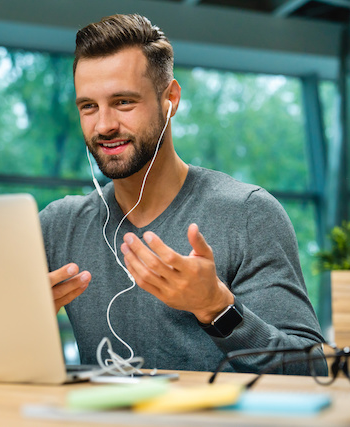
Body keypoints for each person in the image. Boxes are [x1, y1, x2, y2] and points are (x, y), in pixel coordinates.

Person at [39, 14, 325, 374]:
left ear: (170, 99)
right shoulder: (58, 226)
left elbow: (310, 371)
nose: (104, 125)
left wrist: (216, 307)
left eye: (123, 102)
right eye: (88, 106)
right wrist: (15, 322)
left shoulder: (248, 214)